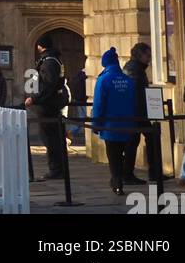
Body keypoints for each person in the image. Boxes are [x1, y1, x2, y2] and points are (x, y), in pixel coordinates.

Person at [92, 47, 138, 194]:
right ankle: (117, 180)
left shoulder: (103, 79)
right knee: (123, 152)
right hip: (127, 124)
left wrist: (96, 123)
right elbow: (133, 103)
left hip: (110, 125)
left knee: (113, 155)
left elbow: (98, 104)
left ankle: (117, 182)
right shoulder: (128, 80)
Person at [24, 34, 67, 179]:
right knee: (53, 137)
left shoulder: (48, 62)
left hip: (48, 105)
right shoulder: (53, 59)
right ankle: (57, 169)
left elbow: (49, 85)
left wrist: (34, 98)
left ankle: (56, 170)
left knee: (50, 138)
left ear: (40, 46)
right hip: (51, 103)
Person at [123, 42, 160, 186]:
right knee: (133, 142)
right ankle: (128, 174)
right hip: (137, 112)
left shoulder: (136, 68)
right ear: (139, 55)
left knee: (149, 138)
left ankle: (153, 172)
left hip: (139, 111)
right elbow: (135, 93)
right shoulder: (134, 69)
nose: (150, 58)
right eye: (147, 55)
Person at [66, 66, 87, 145]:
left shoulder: (79, 75)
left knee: (83, 118)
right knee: (84, 119)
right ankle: (70, 132)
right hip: (83, 100)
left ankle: (70, 133)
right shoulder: (84, 76)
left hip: (79, 100)